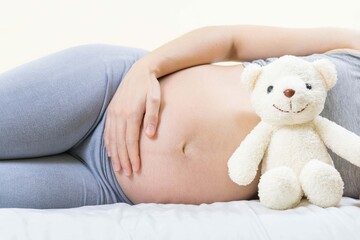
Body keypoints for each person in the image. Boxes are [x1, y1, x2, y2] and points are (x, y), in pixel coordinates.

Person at [0, 25, 359, 209]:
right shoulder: (354, 45)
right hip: (108, 93)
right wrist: (146, 68)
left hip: (108, 189)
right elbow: (231, 40)